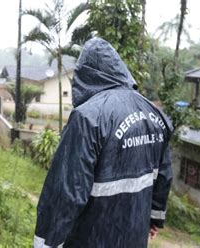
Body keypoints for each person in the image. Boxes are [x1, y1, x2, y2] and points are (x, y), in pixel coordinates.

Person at [33, 38, 173, 247]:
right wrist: (155, 218)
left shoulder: (88, 117)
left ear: (85, 74)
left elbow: (67, 191)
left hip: (92, 238)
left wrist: (46, 242)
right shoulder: (153, 114)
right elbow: (163, 175)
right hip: (135, 236)